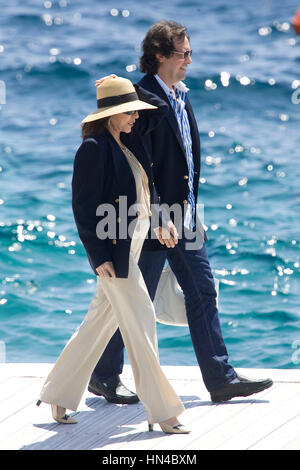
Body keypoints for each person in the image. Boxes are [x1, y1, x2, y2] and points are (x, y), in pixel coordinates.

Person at [89, 21, 273, 404]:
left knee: (203, 290)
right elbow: (138, 166)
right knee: (133, 301)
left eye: (189, 52)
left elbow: (185, 159)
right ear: (159, 55)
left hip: (184, 217)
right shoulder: (140, 101)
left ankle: (220, 378)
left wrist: (186, 210)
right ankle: (104, 375)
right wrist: (157, 216)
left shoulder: (180, 96)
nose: (189, 59)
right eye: (182, 53)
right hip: (152, 221)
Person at [36, 75, 190, 434]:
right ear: (111, 114)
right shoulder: (94, 149)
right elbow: (84, 207)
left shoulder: (129, 143)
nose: (135, 116)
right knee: (142, 323)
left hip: (132, 248)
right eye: (128, 111)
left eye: (136, 110)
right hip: (114, 258)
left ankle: (58, 395)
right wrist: (97, 256)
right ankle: (164, 410)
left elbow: (140, 198)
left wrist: (159, 224)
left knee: (97, 326)